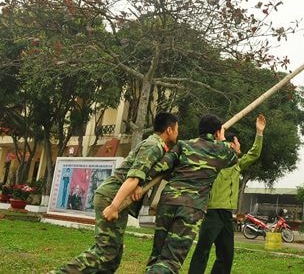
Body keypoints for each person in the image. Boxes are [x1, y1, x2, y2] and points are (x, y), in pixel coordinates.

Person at [52, 112, 179, 274]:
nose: (177, 133)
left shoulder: (158, 147)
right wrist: (114, 206)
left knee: (113, 258)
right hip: (111, 198)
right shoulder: (153, 146)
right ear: (169, 129)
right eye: (177, 129)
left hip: (113, 197)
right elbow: (133, 178)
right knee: (105, 252)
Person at [145, 114, 241, 274]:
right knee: (170, 260)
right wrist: (223, 139)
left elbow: (160, 167)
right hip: (191, 208)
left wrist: (140, 186)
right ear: (218, 132)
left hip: (168, 201)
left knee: (158, 254)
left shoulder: (183, 145)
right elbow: (234, 157)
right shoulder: (221, 150)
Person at [189, 113, 267, 274]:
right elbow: (217, 149)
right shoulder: (216, 162)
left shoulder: (237, 166)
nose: (239, 147)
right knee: (202, 251)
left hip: (226, 215)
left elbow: (254, 154)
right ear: (231, 145)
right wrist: (221, 139)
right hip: (212, 213)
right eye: (237, 144)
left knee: (226, 255)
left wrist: (259, 132)